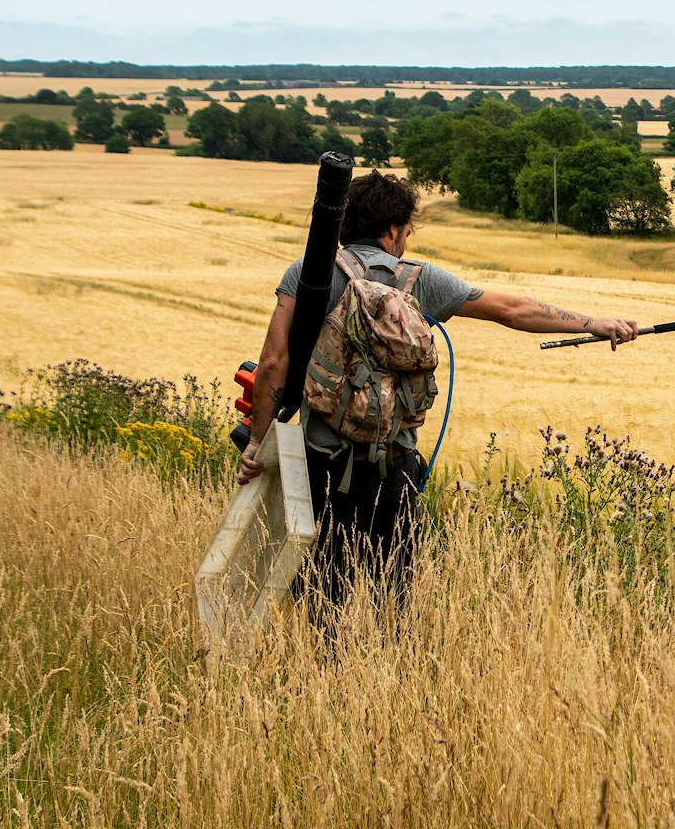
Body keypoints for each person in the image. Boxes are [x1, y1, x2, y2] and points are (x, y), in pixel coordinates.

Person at [236, 170, 637, 617]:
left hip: (320, 467)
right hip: (393, 470)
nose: (404, 241)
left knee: (323, 596)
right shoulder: (420, 281)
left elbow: (273, 362)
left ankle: (327, 678)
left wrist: (257, 441)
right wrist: (593, 323)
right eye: (405, 231)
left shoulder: (306, 273)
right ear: (391, 229)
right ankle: (391, 675)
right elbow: (511, 310)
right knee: (394, 598)